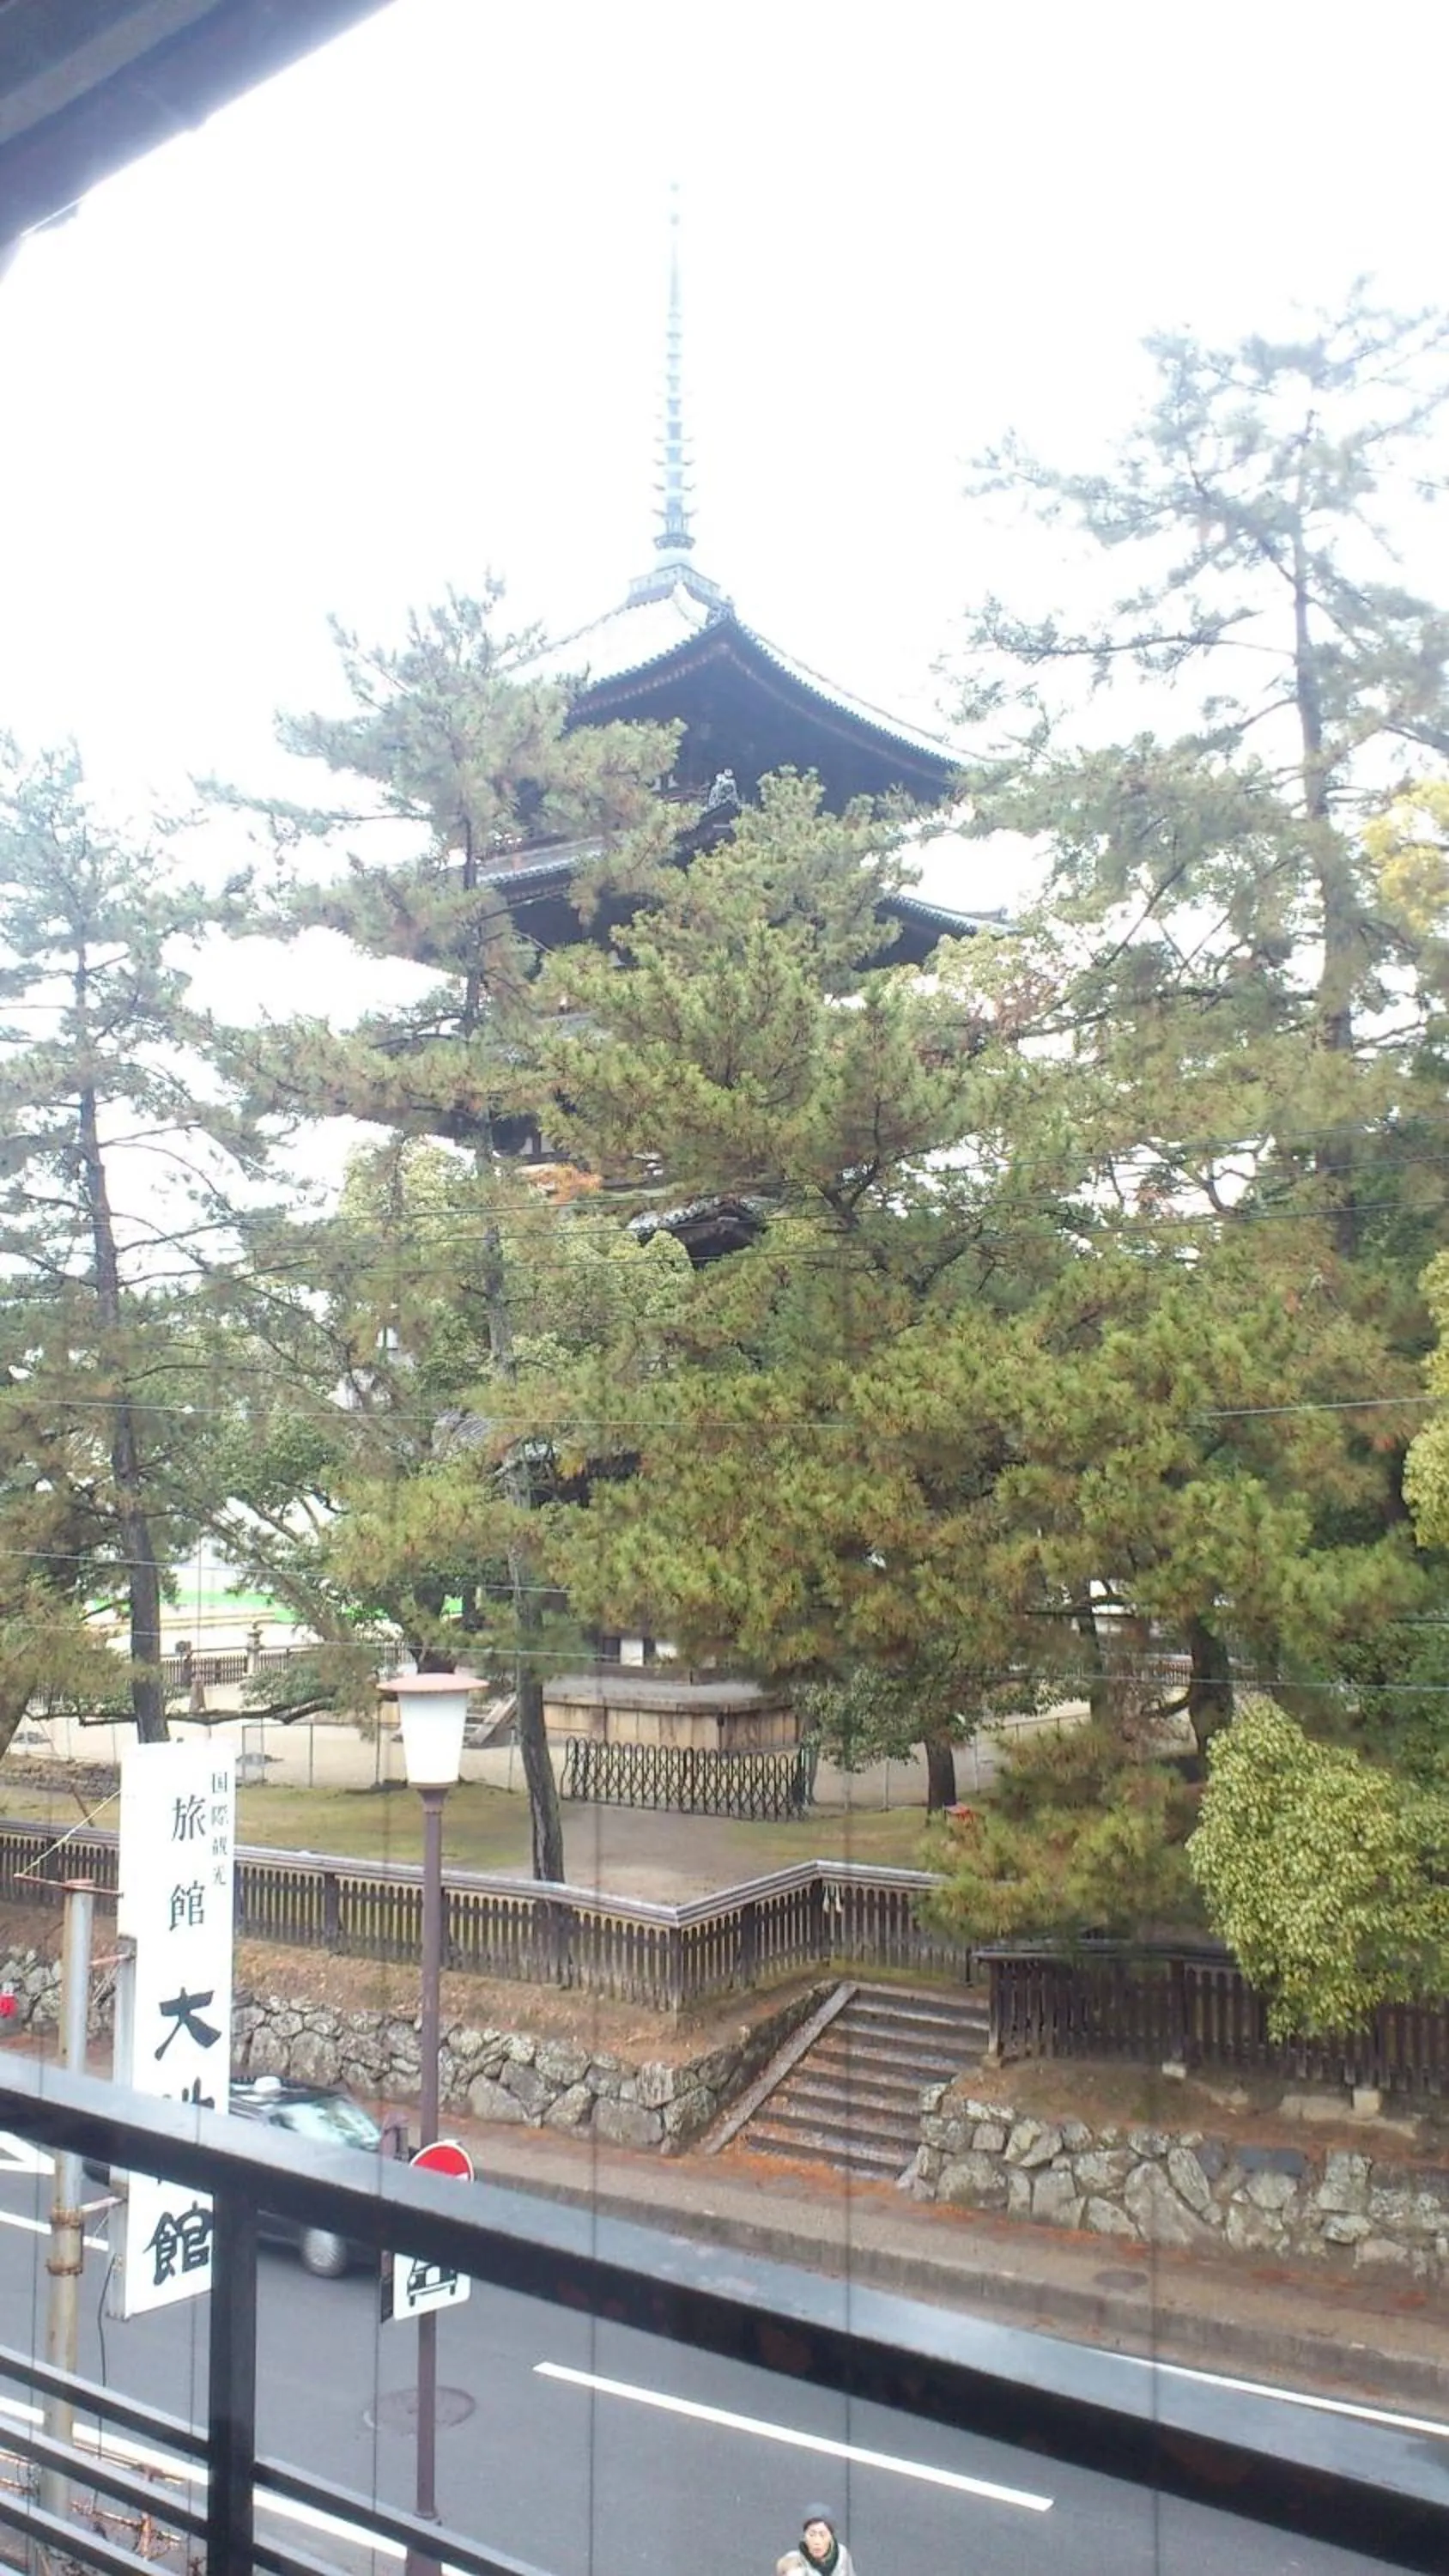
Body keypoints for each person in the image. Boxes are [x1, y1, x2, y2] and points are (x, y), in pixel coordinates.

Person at [799, 2507, 856, 2576]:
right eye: (812, 2535)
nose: (817, 2542)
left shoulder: (842, 2556)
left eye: (822, 2535)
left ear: (831, 2536)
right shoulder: (795, 2560)